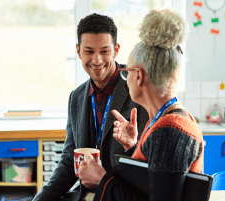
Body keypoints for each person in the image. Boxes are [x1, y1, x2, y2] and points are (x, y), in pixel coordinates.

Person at [78, 9, 204, 201]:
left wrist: (101, 179)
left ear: (139, 75)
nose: (125, 77)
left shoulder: (170, 131)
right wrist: (133, 147)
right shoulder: (166, 121)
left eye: (127, 70)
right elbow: (150, 185)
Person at [32, 13, 148, 201]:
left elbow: (149, 165)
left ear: (116, 50)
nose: (97, 60)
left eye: (104, 51)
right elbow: (70, 161)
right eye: (89, 51)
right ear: (78, 51)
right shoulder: (77, 97)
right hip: (86, 196)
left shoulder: (139, 88)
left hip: (122, 195)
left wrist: (132, 145)